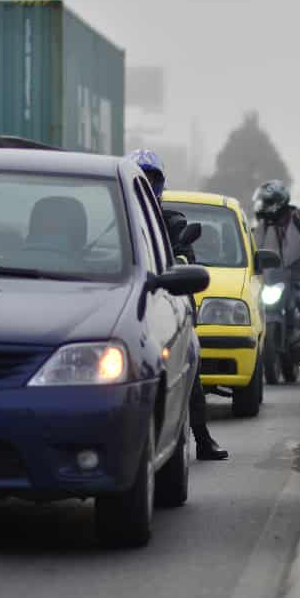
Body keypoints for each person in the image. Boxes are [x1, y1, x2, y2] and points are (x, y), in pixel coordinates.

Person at [131, 149, 229, 461]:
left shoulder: (173, 223)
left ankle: (202, 439)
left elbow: (186, 259)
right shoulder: (117, 221)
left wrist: (174, 265)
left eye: (153, 177)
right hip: (133, 305)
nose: (148, 182)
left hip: (171, 305)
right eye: (142, 176)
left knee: (190, 369)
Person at [252, 180, 300, 360]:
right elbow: (253, 247)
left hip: (299, 274)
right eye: (261, 202)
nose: (261, 206)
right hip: (273, 276)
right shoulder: (264, 225)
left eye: (266, 202)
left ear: (278, 203)